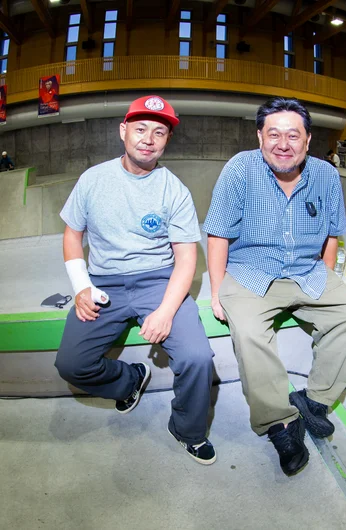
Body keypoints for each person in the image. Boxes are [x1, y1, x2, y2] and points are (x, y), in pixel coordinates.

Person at [203, 96, 346, 476]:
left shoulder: (325, 174)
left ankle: (315, 401)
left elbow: (331, 235)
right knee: (249, 332)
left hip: (307, 270)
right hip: (250, 272)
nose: (283, 143)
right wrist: (215, 291)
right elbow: (217, 234)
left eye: (294, 135)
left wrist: (328, 279)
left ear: (307, 141)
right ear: (260, 137)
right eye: (273, 133)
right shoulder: (240, 169)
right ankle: (281, 423)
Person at [55, 95, 216, 465]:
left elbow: (187, 258)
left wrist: (164, 311)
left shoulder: (173, 189)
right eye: (141, 129)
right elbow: (71, 233)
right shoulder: (93, 179)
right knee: (72, 365)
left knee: (197, 357)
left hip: (156, 280)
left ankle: (188, 430)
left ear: (166, 140)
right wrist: (81, 284)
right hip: (103, 282)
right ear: (123, 131)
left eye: (159, 132)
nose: (149, 138)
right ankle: (130, 379)